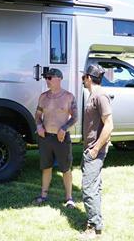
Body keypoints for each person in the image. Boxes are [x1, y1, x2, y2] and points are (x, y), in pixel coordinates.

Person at [34, 68, 77, 208]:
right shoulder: (43, 97)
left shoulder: (69, 97)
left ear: (59, 78)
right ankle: (43, 195)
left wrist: (64, 128)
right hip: (46, 137)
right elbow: (38, 115)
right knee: (46, 167)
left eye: (49, 77)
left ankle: (69, 197)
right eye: (46, 78)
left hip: (61, 138)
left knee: (65, 168)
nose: (47, 80)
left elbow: (75, 117)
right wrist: (39, 126)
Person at [80, 64, 114, 239]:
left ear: (89, 78)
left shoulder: (100, 96)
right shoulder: (93, 94)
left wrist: (95, 149)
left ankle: (95, 228)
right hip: (90, 148)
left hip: (95, 151)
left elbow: (109, 125)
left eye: (83, 77)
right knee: (94, 187)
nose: (82, 80)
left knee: (88, 189)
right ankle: (93, 221)